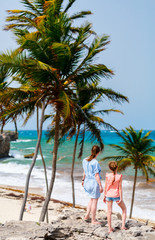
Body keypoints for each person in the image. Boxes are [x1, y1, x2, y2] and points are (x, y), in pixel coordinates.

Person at [82, 145, 103, 224]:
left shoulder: (85, 160)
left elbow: (84, 171)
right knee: (95, 201)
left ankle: (87, 215)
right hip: (94, 183)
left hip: (87, 181)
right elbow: (96, 175)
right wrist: (100, 185)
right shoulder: (95, 162)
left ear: (91, 151)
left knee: (91, 199)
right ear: (98, 152)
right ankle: (93, 220)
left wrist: (83, 180)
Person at [103, 161, 127, 233]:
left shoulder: (107, 175)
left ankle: (109, 228)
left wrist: (104, 196)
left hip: (108, 195)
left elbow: (106, 186)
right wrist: (121, 198)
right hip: (116, 195)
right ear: (117, 167)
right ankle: (123, 226)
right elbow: (120, 188)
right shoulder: (119, 176)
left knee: (109, 212)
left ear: (110, 168)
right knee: (124, 209)